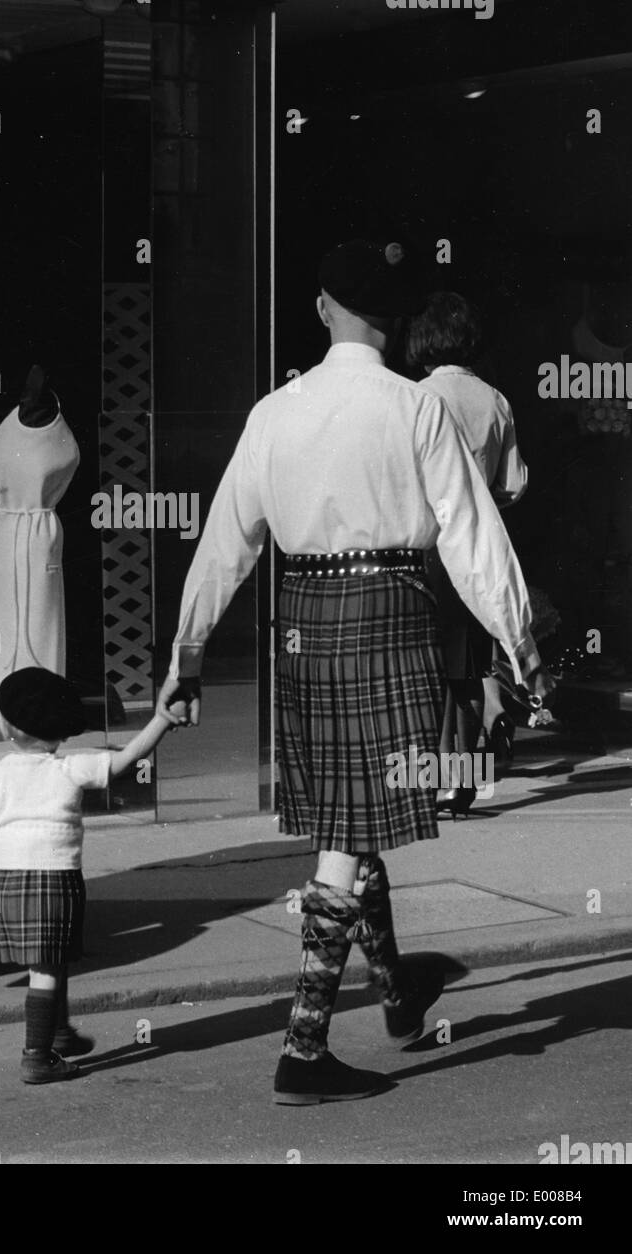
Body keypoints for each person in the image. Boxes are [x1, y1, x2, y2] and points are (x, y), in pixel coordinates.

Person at [157, 238, 553, 1106]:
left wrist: (187, 653)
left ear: (326, 309)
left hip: (303, 622)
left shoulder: (273, 413)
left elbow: (226, 543)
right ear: (397, 320)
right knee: (350, 826)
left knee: (350, 813)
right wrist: (520, 644)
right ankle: (303, 1048)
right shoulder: (416, 411)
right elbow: (473, 537)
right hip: (393, 617)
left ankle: (400, 994)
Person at [0, 666, 175, 1084]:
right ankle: (37, 1056)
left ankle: (58, 1033)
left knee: (50, 962)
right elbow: (126, 759)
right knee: (48, 966)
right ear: (61, 730)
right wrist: (161, 719)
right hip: (56, 881)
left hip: (7, 884)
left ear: (8, 728)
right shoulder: (70, 768)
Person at [407, 291, 529, 814]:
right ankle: (462, 780)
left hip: (425, 549)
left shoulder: (414, 397)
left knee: (427, 668)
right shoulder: (495, 401)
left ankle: (433, 778)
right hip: (474, 545)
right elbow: (515, 483)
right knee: (468, 667)